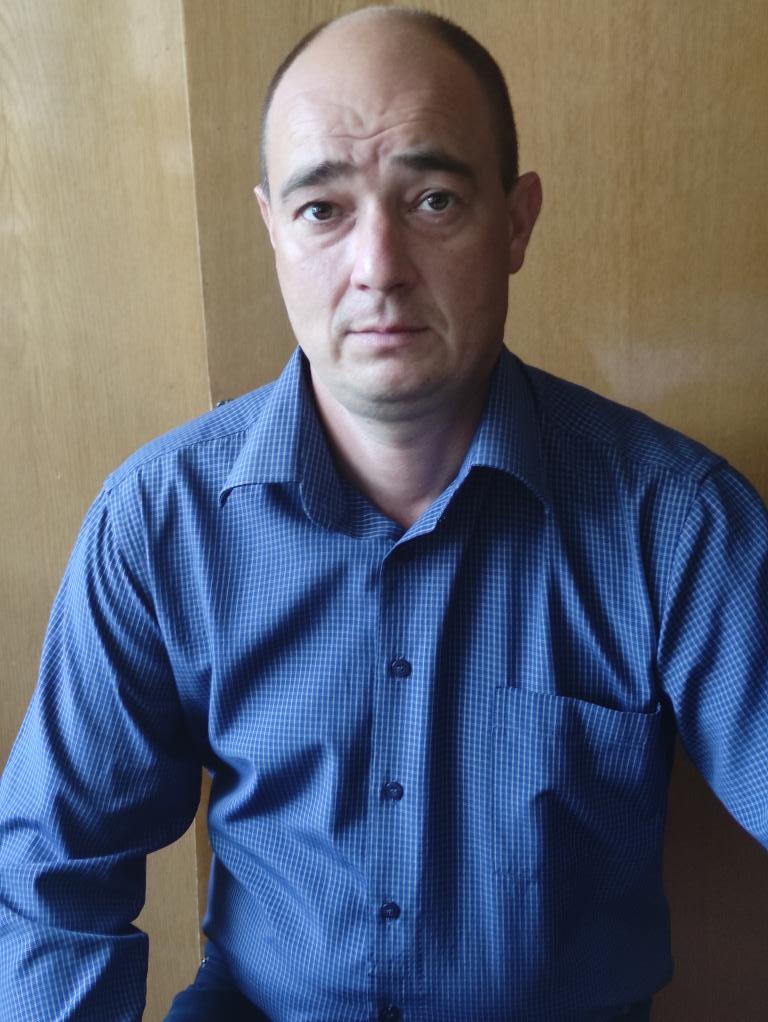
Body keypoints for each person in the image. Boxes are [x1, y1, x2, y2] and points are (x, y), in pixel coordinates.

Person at [0, 6, 766, 1022]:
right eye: (323, 209)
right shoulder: (158, 521)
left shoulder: (677, 524)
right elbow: (53, 880)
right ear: (274, 230)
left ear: (517, 221)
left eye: (434, 199)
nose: (379, 266)